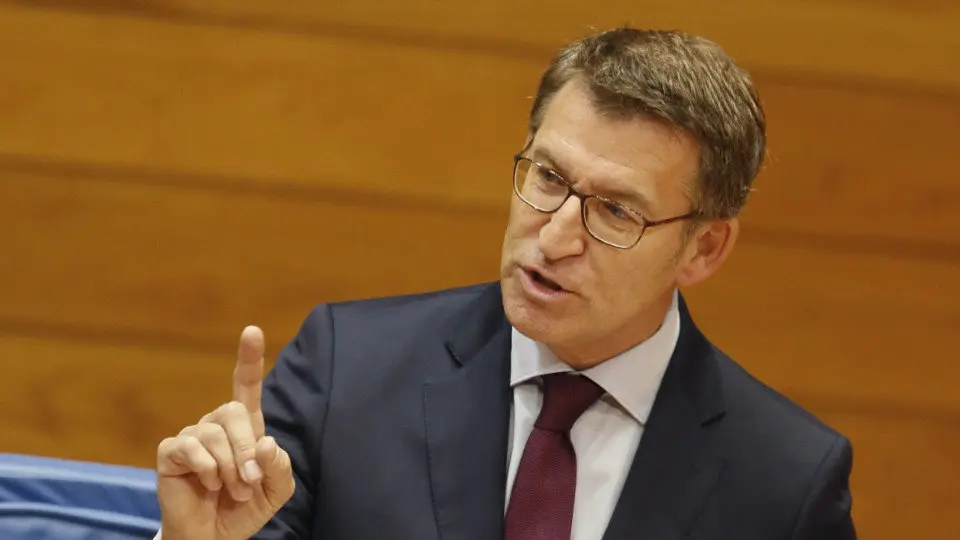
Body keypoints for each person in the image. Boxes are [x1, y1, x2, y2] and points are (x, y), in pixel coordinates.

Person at [154, 27, 857, 540]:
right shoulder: (348, 374)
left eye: (616, 210)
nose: (553, 237)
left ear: (703, 248)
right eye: (547, 178)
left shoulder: (785, 484)